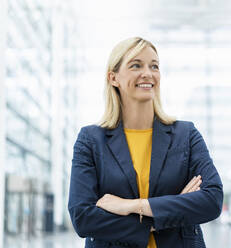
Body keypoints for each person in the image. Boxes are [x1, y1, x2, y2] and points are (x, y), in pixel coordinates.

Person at [68, 37, 223, 248]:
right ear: (113, 78)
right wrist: (165, 215)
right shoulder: (91, 140)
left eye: (154, 66)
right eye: (136, 65)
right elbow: (83, 217)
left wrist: (132, 206)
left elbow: (212, 200)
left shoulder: (186, 134)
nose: (148, 73)